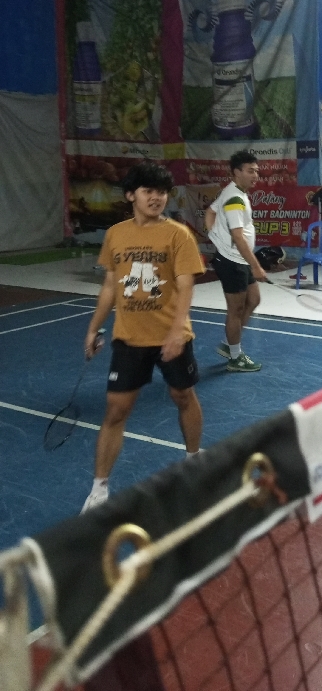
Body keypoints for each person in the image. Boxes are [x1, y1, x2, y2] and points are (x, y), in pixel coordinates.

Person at [82, 162, 205, 513]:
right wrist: (94, 327)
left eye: (162, 192)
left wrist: (176, 333)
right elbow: (110, 285)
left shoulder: (179, 235)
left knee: (183, 396)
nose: (156, 198)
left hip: (171, 336)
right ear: (130, 195)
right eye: (148, 191)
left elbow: (185, 286)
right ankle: (99, 489)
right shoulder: (115, 235)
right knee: (116, 410)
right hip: (129, 338)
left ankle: (194, 460)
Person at [205, 150, 267, 372]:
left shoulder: (234, 191)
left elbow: (210, 212)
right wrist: (256, 266)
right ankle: (235, 357)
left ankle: (230, 343)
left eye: (256, 171)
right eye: (250, 171)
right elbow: (238, 237)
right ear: (237, 172)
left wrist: (213, 235)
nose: (255, 175)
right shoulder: (234, 199)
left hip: (239, 259)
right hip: (233, 262)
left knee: (254, 299)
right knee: (236, 310)